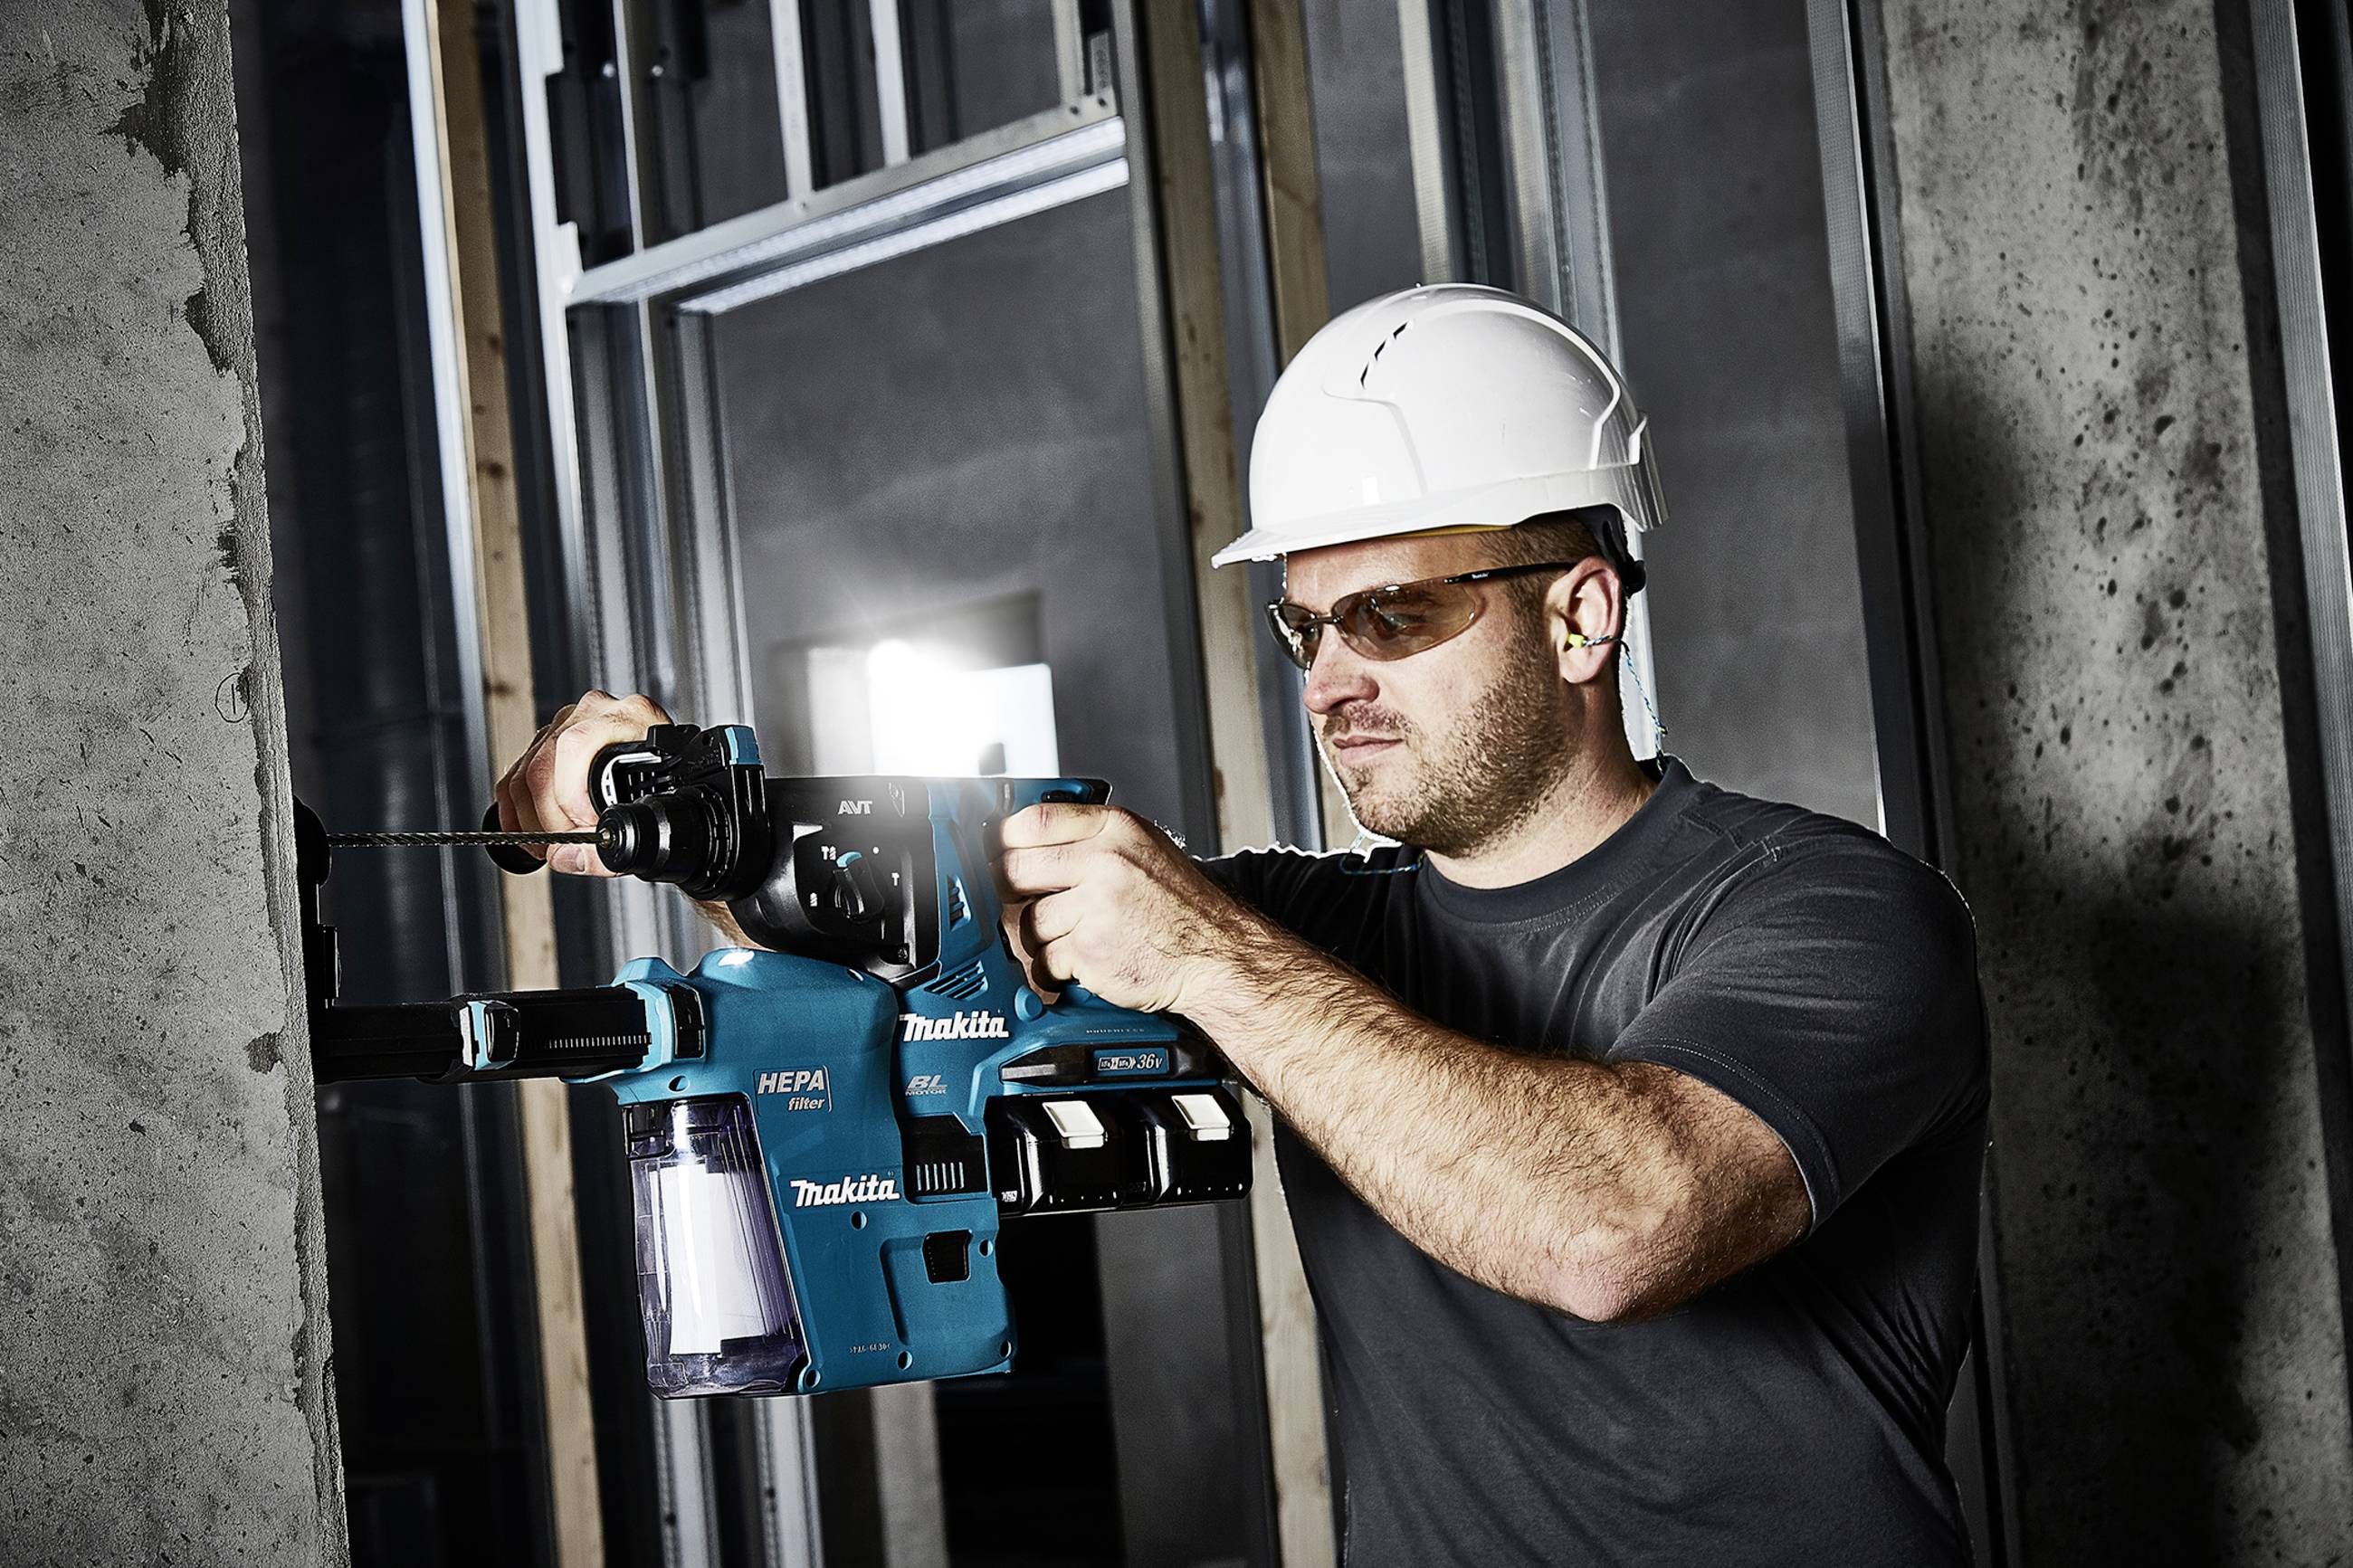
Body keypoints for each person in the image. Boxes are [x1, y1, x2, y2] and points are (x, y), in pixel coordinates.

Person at [499, 285, 1988, 1565]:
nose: (1333, 676)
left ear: (1581, 616)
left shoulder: (1834, 913)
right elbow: (905, 936)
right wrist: (654, 806)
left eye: (1393, 614)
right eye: (1305, 625)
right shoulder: (1307, 932)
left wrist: (1211, 955)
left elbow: (1617, 1227)